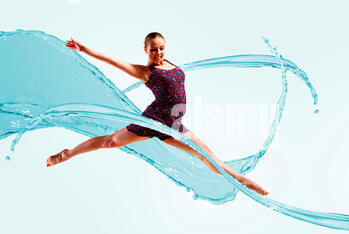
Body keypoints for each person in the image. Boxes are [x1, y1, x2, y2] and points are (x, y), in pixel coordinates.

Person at [46, 32, 269, 196]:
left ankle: (239, 180)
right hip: (154, 122)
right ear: (146, 50)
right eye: (153, 49)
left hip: (174, 125)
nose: (158, 53)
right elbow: (114, 61)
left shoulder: (170, 63)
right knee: (110, 142)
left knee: (204, 154)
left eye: (161, 48)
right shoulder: (146, 72)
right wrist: (83, 49)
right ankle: (66, 154)